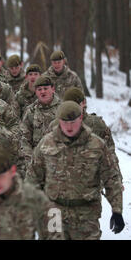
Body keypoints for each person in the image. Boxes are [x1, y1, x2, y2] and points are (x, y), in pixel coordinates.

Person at [26, 101, 124, 239]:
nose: (69, 126)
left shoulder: (96, 145)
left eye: (73, 121)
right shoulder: (46, 144)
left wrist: (117, 210)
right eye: (65, 122)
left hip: (86, 213)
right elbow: (33, 177)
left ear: (81, 119)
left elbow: (111, 178)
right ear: (59, 121)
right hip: (54, 210)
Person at [19, 76, 61, 169]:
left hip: (59, 158)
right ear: (36, 91)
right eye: (39, 89)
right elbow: (24, 138)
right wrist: (30, 160)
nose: (42, 92)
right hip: (37, 159)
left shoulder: (62, 109)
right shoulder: (31, 110)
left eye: (46, 88)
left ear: (52, 89)